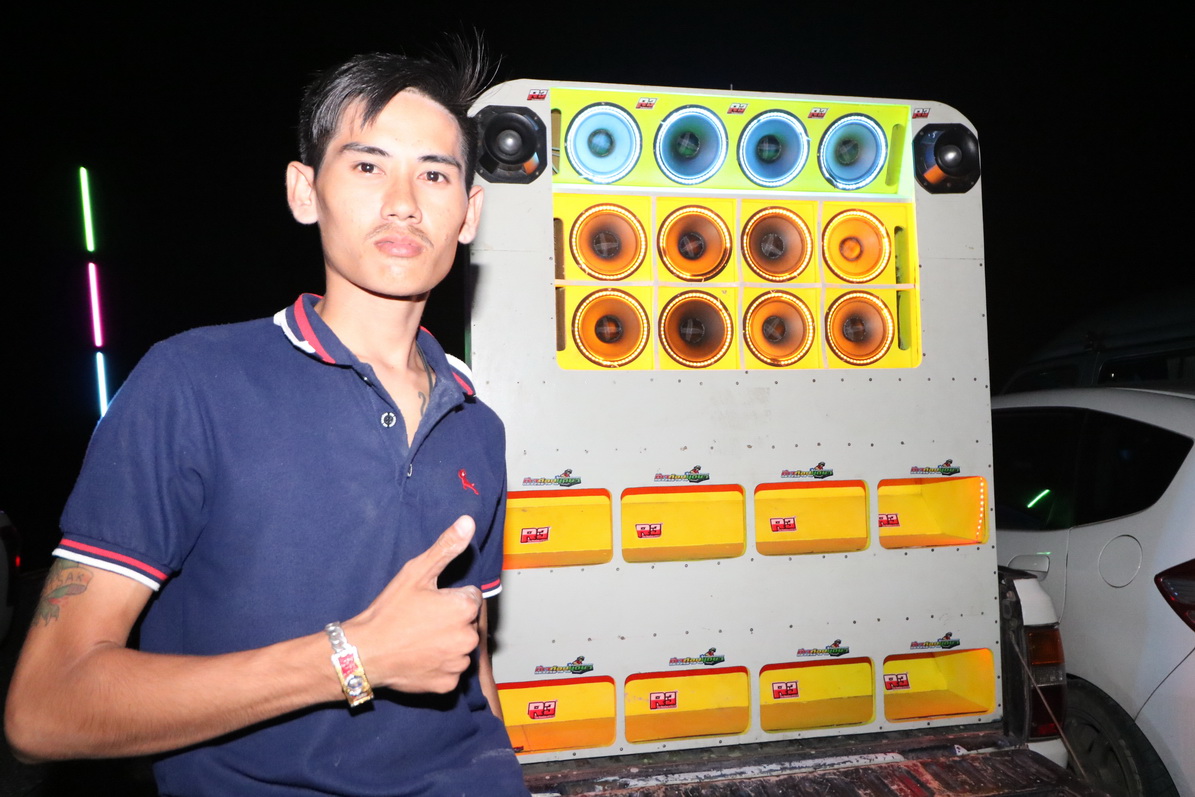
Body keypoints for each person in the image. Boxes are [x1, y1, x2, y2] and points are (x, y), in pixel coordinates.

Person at [5, 44, 530, 796]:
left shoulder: (479, 425)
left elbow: (468, 657)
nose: (404, 203)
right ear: (304, 191)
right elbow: (45, 710)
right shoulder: (193, 384)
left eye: (435, 174)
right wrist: (351, 658)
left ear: (469, 212)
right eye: (368, 165)